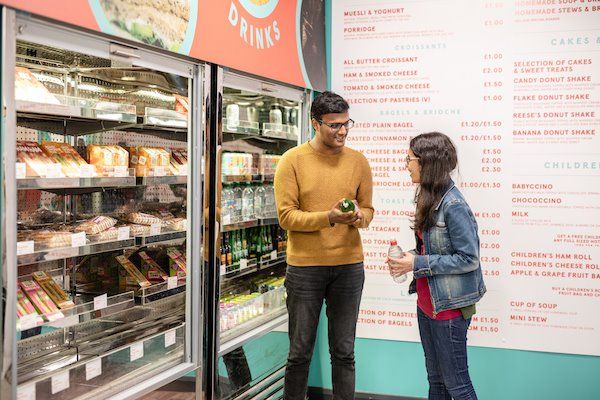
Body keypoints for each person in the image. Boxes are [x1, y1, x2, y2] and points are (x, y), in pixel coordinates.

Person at [274, 91, 374, 400]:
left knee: (344, 351)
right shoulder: (292, 161)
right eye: (334, 125)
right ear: (315, 123)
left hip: (349, 268)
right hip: (305, 269)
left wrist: (358, 217)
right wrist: (328, 218)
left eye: (346, 124)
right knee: (299, 352)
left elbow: (369, 212)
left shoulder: (358, 162)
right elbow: (286, 217)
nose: (342, 131)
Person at [386, 132, 486, 400]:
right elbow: (431, 249)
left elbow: (468, 259)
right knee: (436, 381)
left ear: (426, 162)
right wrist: (408, 259)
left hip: (449, 310)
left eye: (409, 159)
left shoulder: (453, 204)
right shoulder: (428, 196)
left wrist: (416, 262)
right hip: (427, 304)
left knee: (457, 384)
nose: (405, 165)